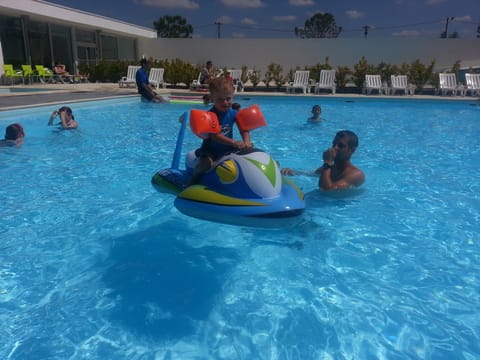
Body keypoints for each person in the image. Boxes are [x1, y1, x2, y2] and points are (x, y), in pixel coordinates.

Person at [189, 77, 253, 184]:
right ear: (212, 98)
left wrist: (246, 141)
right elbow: (215, 136)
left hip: (228, 149)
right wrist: (234, 142)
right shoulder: (210, 115)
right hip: (211, 150)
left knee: (248, 155)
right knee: (206, 164)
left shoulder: (233, 113)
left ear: (233, 97)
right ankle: (193, 179)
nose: (225, 102)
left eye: (228, 98)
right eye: (219, 99)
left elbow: (244, 128)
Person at [281, 130, 365, 190]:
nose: (334, 148)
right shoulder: (330, 167)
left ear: (352, 150)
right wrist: (293, 172)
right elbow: (313, 174)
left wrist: (327, 162)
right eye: (334, 144)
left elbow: (326, 190)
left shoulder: (356, 174)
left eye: (340, 145)